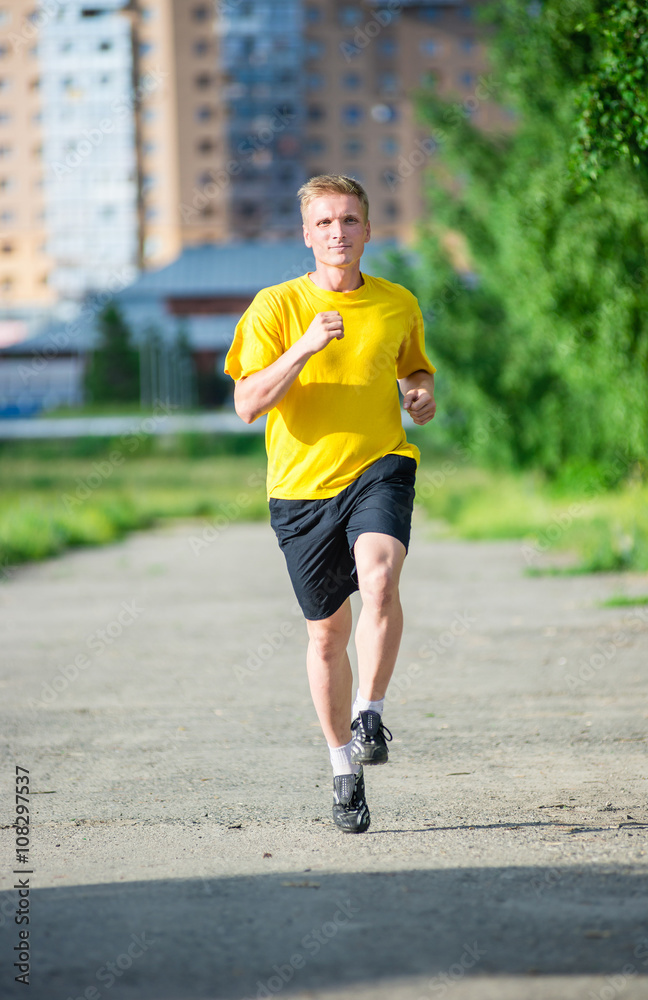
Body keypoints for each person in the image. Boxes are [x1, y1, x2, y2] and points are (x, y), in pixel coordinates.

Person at [225, 174, 436, 833]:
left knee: (379, 578)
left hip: (379, 467)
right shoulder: (275, 307)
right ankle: (343, 769)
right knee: (325, 637)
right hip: (299, 492)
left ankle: (369, 711)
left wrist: (421, 392)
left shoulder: (397, 302)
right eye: (324, 223)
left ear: (368, 230)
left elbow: (414, 369)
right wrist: (304, 347)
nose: (337, 233)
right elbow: (247, 404)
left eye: (349, 221)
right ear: (306, 234)